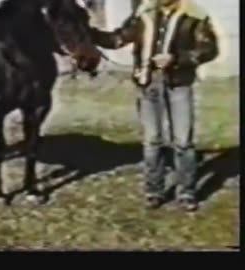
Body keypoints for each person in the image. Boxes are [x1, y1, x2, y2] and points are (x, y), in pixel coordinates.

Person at [90, 0, 219, 211]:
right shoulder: (144, 15)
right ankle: (154, 191)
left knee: (183, 142)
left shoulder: (195, 17)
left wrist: (176, 59)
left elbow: (209, 49)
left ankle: (186, 192)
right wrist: (85, 30)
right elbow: (117, 39)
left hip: (179, 84)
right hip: (148, 84)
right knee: (152, 141)